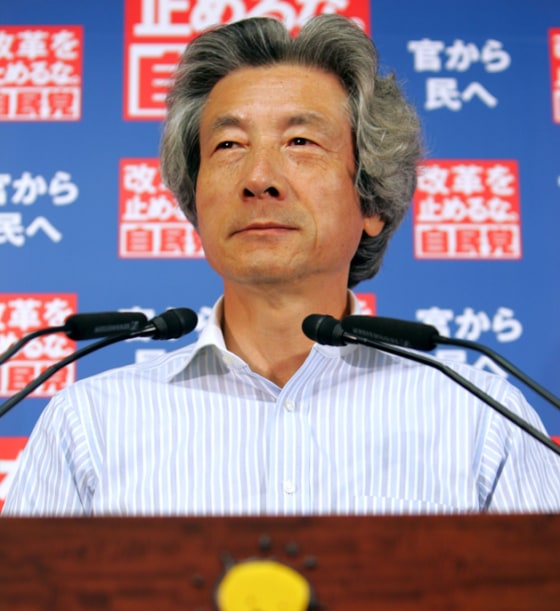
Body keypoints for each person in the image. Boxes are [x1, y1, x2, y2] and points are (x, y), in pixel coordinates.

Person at [2, 15, 559, 515]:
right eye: (227, 146)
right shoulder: (91, 423)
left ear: (371, 202)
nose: (258, 177)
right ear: (194, 200)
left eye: (300, 141)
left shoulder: (480, 420)